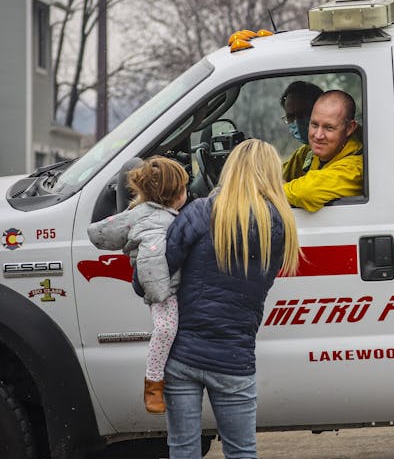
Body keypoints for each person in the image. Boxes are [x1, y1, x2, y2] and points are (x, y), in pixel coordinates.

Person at [163, 139, 300, 459]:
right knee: (242, 452)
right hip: (235, 361)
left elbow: (152, 278)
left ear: (231, 170)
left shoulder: (201, 211)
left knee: (183, 449)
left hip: (183, 355)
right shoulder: (279, 226)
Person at [87, 156, 188, 414]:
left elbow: (108, 231)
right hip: (164, 290)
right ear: (173, 195)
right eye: (185, 189)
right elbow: (152, 261)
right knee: (166, 329)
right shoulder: (158, 224)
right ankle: (153, 384)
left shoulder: (143, 213)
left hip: (163, 285)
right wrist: (161, 294)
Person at [284, 89, 364, 211]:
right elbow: (278, 173)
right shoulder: (308, 153)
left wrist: (273, 190)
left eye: (329, 128)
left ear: (349, 128)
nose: (318, 135)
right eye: (314, 125)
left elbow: (306, 193)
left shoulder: (356, 168)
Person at [280, 81, 323, 182]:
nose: (298, 122)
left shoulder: (350, 156)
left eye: (303, 115)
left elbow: (309, 190)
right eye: (291, 117)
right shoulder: (305, 153)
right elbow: (279, 174)